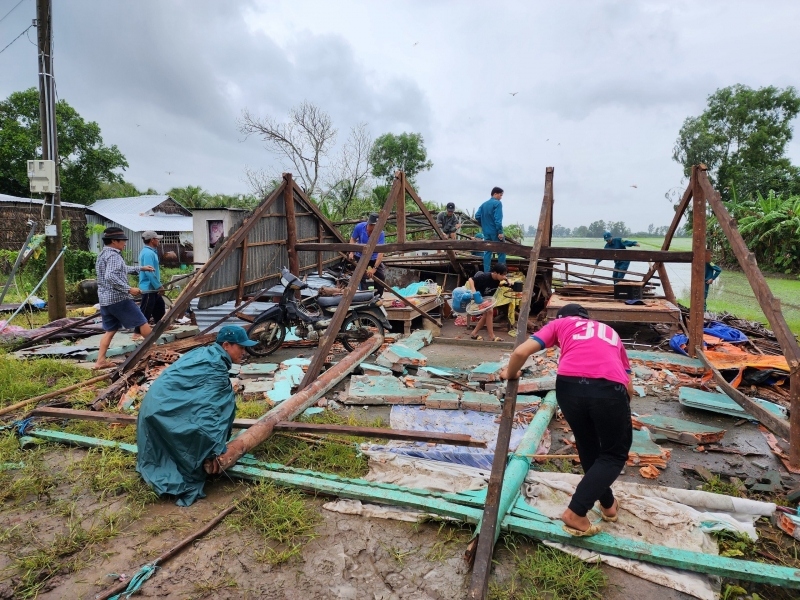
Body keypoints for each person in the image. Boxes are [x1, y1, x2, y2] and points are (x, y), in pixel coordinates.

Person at [500, 303, 633, 537]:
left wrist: (510, 374)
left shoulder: (560, 324)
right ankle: (576, 512)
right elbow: (628, 383)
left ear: (563, 318)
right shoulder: (609, 332)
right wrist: (620, 408)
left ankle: (609, 505)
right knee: (614, 453)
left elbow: (521, 352)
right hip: (608, 389)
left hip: (568, 386)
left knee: (589, 447)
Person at [136, 325, 257, 506]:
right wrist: (213, 448)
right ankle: (189, 467)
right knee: (222, 404)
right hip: (162, 410)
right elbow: (209, 412)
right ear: (226, 345)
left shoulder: (203, 353)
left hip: (153, 406)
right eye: (240, 347)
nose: (244, 351)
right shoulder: (215, 367)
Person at [94, 227, 155, 369]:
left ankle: (100, 361)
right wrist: (129, 289)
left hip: (105, 300)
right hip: (119, 299)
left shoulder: (103, 254)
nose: (125, 244)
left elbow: (120, 269)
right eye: (123, 241)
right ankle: (156, 350)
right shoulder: (114, 255)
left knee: (110, 330)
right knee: (142, 322)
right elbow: (111, 276)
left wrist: (141, 268)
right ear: (114, 241)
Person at [467, 262, 508, 341]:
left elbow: (504, 280)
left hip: (486, 298)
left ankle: (474, 333)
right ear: (495, 273)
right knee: (490, 312)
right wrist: (474, 292)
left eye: (505, 274)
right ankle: (491, 336)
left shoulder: (498, 279)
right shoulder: (485, 277)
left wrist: (508, 281)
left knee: (487, 314)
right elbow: (471, 279)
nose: (504, 277)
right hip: (478, 298)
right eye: (502, 275)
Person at [349, 213, 386, 296]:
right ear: (368, 224)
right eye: (370, 230)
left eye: (373, 231)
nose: (370, 233)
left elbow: (381, 253)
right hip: (360, 255)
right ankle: (364, 296)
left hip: (374, 257)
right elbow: (353, 239)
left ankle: (378, 296)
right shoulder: (359, 227)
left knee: (381, 277)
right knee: (361, 276)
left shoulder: (380, 234)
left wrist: (374, 268)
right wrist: (352, 252)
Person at [138, 231, 166, 326]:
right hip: (149, 288)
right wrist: (158, 286)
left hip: (153, 288)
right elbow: (149, 272)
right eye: (157, 239)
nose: (158, 241)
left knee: (160, 307)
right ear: (152, 240)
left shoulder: (151, 252)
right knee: (145, 311)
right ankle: (137, 332)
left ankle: (161, 327)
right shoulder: (148, 253)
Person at [475, 187, 505, 272]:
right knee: (502, 250)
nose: (501, 197)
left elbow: (477, 216)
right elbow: (498, 219)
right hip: (495, 231)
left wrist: (484, 224)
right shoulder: (497, 203)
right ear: (495, 194)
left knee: (487, 251)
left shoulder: (484, 204)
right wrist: (499, 231)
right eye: (500, 195)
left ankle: (486, 272)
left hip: (486, 232)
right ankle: (501, 272)